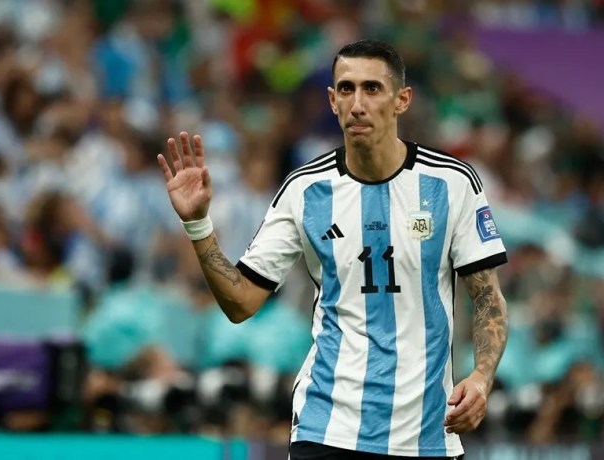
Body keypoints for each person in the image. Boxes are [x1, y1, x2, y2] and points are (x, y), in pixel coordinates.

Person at [157, 39, 509, 459]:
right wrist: (197, 224)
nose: (357, 103)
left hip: (427, 435)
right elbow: (240, 302)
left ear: (402, 100)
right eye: (346, 89)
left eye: (372, 89)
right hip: (328, 430)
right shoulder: (304, 191)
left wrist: (482, 378)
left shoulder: (451, 184)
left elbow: (488, 297)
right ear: (331, 100)